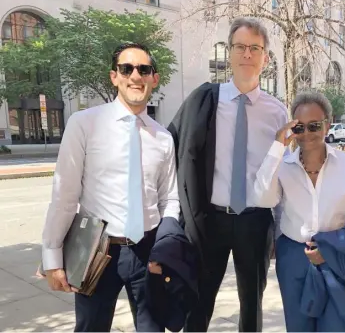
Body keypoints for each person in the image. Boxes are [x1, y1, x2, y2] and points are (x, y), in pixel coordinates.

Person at [41, 42, 180, 332]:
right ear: (114, 76)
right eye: (126, 68)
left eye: (144, 69)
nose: (135, 76)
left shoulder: (163, 138)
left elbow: (170, 199)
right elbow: (64, 195)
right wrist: (52, 256)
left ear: (154, 78)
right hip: (96, 249)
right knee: (91, 327)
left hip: (148, 250)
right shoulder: (84, 124)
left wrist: (166, 248)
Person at [168, 17, 288, 332]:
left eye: (255, 48)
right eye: (240, 47)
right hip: (210, 220)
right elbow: (170, 148)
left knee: (252, 305)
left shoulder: (277, 112)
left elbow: (286, 172)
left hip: (255, 220)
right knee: (200, 300)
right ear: (229, 53)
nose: (247, 54)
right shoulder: (203, 100)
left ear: (265, 58)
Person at [251, 91, 345, 332]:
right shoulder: (282, 166)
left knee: (342, 324)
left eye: (314, 126)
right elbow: (262, 198)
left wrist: (336, 244)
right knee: (298, 326)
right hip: (294, 257)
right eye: (299, 127)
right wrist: (277, 147)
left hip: (339, 255)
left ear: (328, 124)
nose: (307, 134)